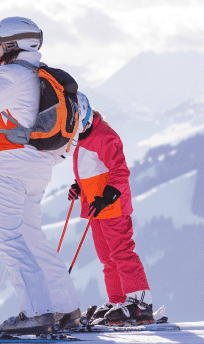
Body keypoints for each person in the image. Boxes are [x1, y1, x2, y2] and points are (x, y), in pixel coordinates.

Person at [0, 17, 81, 333]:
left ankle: (37, 312)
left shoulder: (11, 75)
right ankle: (65, 308)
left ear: (12, 44)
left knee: (8, 239)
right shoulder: (39, 76)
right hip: (37, 168)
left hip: (8, 170)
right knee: (32, 237)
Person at [67, 95, 154, 325]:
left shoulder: (104, 136)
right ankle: (118, 300)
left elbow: (120, 170)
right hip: (97, 208)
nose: (72, 128)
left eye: (74, 122)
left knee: (122, 252)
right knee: (107, 258)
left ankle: (140, 302)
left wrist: (107, 197)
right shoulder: (82, 138)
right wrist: (78, 187)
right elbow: (92, 170)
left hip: (112, 207)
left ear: (84, 117)